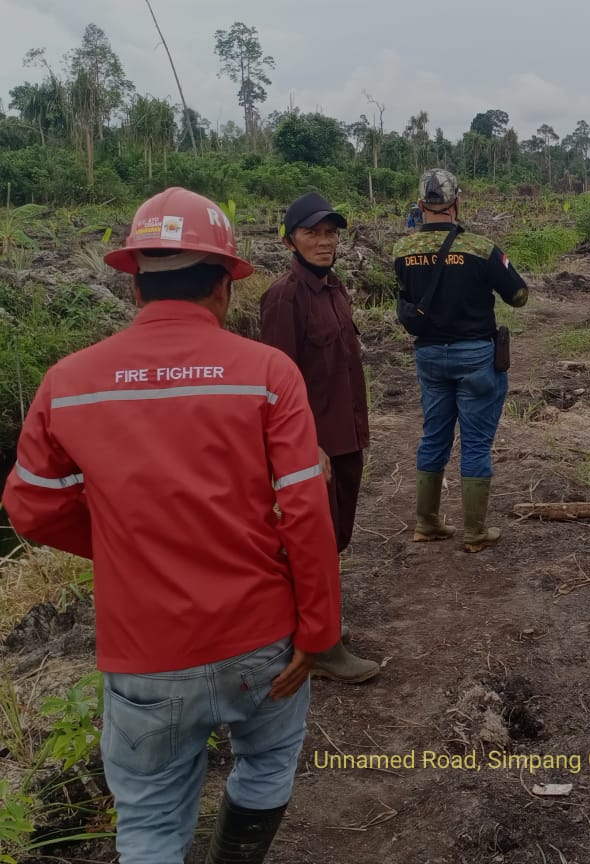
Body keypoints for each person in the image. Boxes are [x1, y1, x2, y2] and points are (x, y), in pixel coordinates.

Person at [2, 187, 342, 864]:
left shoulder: (68, 382)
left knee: (151, 823)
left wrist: (126, 543)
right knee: (268, 764)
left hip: (145, 652)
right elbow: (305, 510)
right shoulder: (267, 374)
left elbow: (31, 508)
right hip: (261, 639)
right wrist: (319, 630)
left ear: (135, 285)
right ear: (223, 287)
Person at [259, 191, 380, 684]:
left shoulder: (335, 289)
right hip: (313, 446)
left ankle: (318, 625)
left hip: (346, 434)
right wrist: (305, 443)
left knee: (336, 536)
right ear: (290, 240)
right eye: (312, 232)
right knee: (314, 544)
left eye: (331, 233)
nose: (325, 241)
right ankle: (320, 647)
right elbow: (277, 381)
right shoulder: (283, 297)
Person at [393, 168, 528, 552]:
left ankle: (426, 523)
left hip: (429, 357)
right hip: (476, 356)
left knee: (434, 436)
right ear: (457, 202)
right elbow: (519, 296)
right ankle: (474, 532)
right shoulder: (481, 248)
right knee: (476, 444)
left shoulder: (402, 251)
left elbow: (403, 295)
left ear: (421, 205)